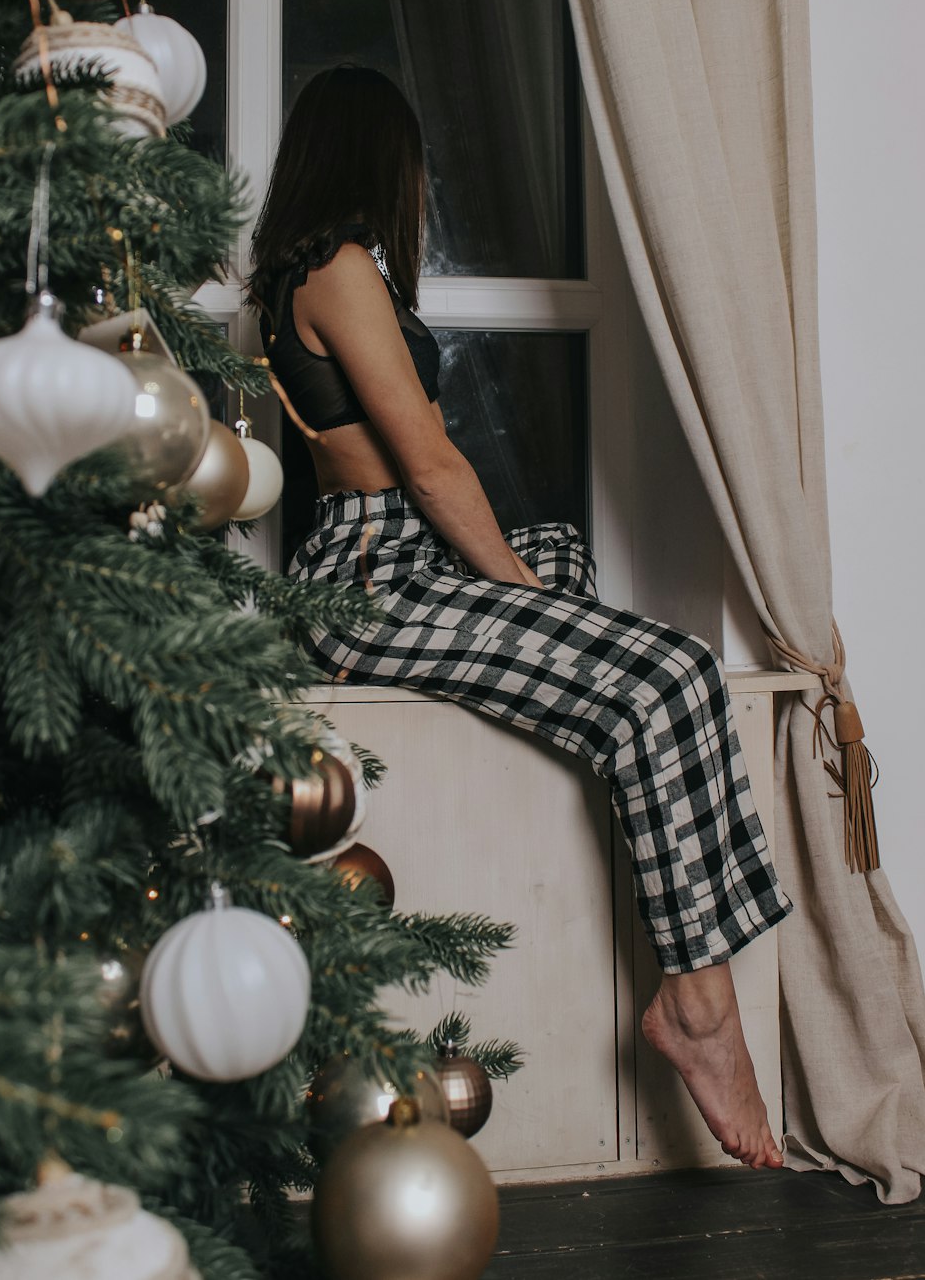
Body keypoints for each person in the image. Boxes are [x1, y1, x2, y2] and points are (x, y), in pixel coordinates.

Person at [250, 64, 792, 1170]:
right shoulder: (339, 267)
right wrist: (515, 595)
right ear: (376, 161)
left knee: (572, 566)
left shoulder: (320, 276)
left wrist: (534, 586)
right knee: (670, 675)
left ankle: (625, 768)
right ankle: (696, 1009)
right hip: (372, 573)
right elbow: (433, 465)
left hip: (387, 554)